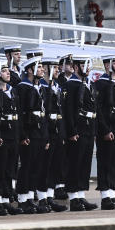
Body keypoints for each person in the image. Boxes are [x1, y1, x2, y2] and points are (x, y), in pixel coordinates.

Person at [63, 54, 98, 211]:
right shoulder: (71, 85)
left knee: (85, 164)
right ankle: (73, 198)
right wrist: (72, 131)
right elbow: (68, 110)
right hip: (78, 129)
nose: (87, 68)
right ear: (76, 67)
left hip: (88, 128)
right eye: (84, 65)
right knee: (75, 164)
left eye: (88, 65)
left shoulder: (87, 84)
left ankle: (81, 195)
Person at [0, 61, 21, 215]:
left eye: (8, 71)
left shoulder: (12, 91)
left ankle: (6, 200)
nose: (8, 73)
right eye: (4, 71)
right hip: (1, 136)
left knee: (9, 170)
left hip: (12, 134)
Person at [95, 54, 115, 209]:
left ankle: (112, 193)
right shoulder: (101, 84)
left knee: (114, 162)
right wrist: (105, 130)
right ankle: (104, 196)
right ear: (107, 65)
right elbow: (99, 110)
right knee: (105, 162)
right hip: (108, 128)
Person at [13, 56, 43, 214]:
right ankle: (22, 199)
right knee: (26, 166)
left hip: (37, 132)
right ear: (30, 70)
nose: (42, 70)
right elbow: (21, 113)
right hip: (29, 132)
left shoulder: (37, 86)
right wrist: (23, 135)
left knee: (34, 166)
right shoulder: (23, 87)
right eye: (39, 67)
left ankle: (30, 197)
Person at [38, 56, 67, 213]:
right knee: (45, 167)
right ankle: (42, 197)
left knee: (55, 166)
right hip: (46, 130)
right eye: (55, 68)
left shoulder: (56, 86)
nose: (58, 70)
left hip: (57, 130)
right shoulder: (42, 86)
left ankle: (49, 197)